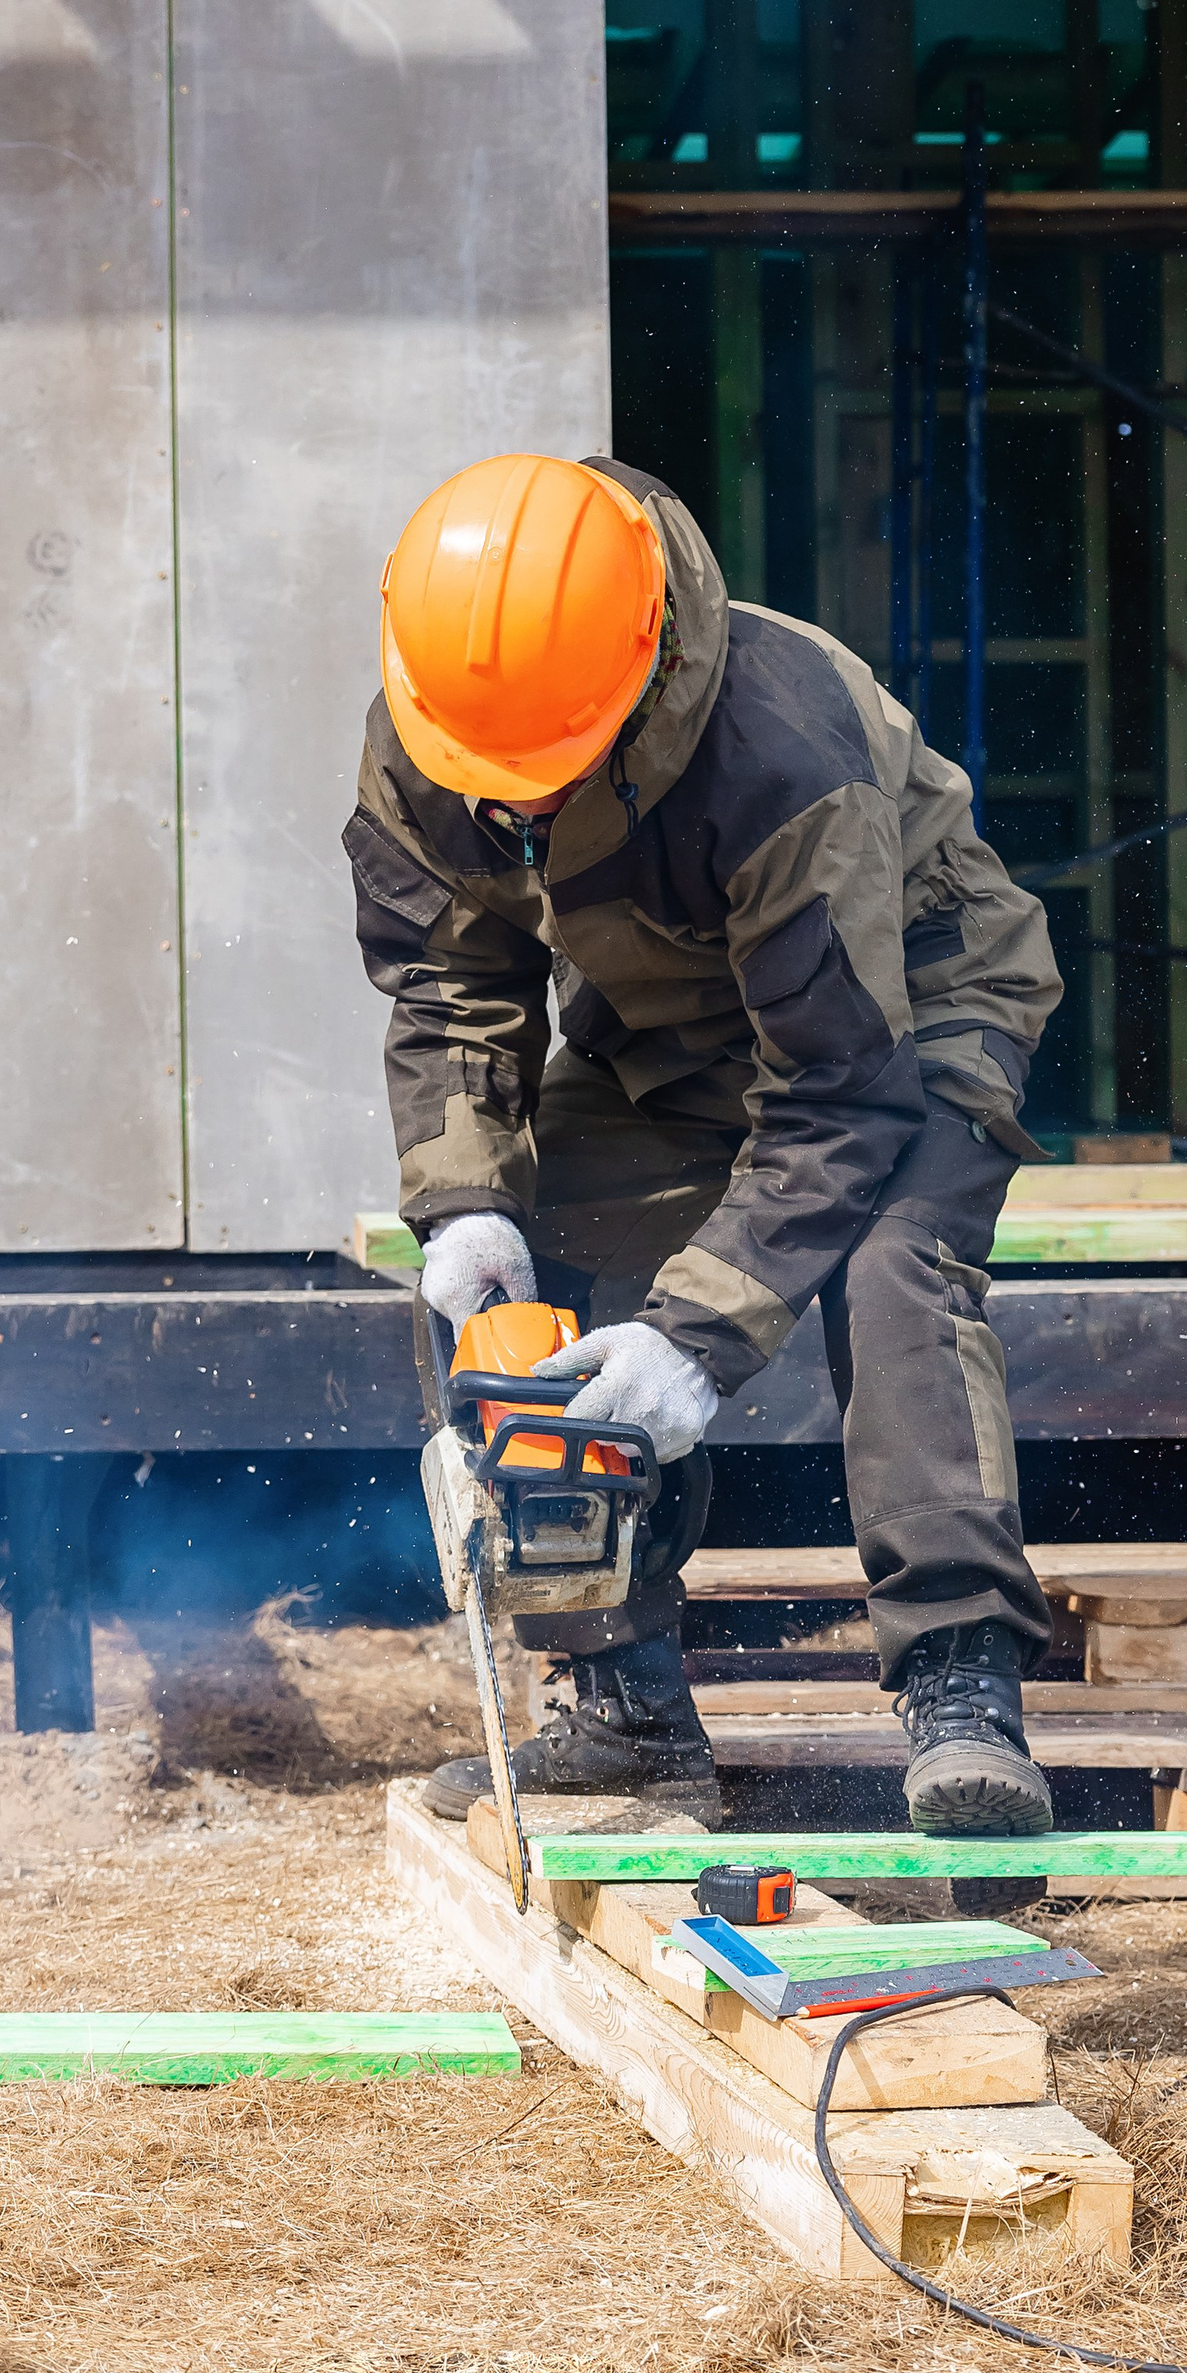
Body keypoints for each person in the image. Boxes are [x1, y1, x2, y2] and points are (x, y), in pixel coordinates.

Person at [344, 451, 1064, 1836]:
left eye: (549, 781)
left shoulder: (782, 747)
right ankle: (621, 1707)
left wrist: (698, 1334)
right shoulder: (438, 726)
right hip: (665, 1035)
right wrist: (466, 1202)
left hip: (911, 1019)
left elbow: (843, 1093)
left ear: (636, 677)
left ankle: (965, 1692)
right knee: (527, 1284)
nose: (523, 810)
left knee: (893, 1272)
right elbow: (447, 983)